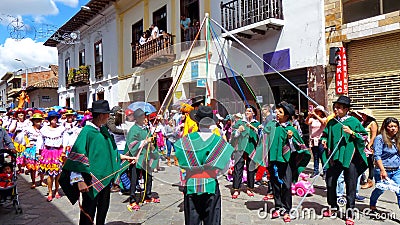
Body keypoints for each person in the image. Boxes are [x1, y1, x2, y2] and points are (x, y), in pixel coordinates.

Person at [60, 100, 136, 225]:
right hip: (90, 181)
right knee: (88, 213)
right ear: (101, 115)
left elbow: (109, 153)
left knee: (103, 209)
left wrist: (127, 158)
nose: (109, 117)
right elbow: (76, 158)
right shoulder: (87, 132)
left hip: (104, 180)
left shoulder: (103, 132)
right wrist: (79, 180)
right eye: (107, 114)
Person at [174, 105, 234, 225]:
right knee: (212, 220)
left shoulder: (186, 140)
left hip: (192, 185)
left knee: (192, 220)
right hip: (210, 184)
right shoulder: (219, 142)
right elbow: (224, 168)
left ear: (196, 121)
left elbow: (181, 163)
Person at [252, 101, 310, 222]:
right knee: (275, 185)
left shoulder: (291, 130)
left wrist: (290, 138)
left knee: (287, 185)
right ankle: (278, 207)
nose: (277, 113)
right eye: (277, 111)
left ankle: (287, 209)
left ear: (287, 115)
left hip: (287, 162)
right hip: (273, 160)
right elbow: (264, 139)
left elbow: (299, 147)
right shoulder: (272, 125)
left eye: (280, 112)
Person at [321, 96, 368, 225]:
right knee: (330, 181)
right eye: (335, 106)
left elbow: (364, 137)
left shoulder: (354, 122)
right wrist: (324, 140)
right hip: (335, 157)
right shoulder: (332, 122)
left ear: (346, 109)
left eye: (339, 107)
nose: (336, 109)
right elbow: (325, 134)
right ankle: (333, 206)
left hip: (350, 158)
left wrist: (352, 133)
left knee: (351, 185)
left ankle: (350, 213)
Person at [124, 108, 160, 212]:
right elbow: (131, 144)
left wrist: (153, 138)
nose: (145, 118)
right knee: (134, 179)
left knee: (148, 177)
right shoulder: (133, 129)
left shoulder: (146, 128)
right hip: (136, 157)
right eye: (143, 116)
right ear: (138, 119)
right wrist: (145, 141)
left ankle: (147, 196)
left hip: (146, 157)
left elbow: (151, 142)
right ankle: (132, 199)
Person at [369, 117, 400, 215]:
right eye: (390, 126)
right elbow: (377, 155)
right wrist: (382, 170)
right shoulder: (380, 138)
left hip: (396, 170)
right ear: (386, 127)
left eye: (395, 126)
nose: (393, 129)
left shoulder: (398, 138)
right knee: (380, 190)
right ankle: (372, 205)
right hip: (383, 169)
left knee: (399, 192)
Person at [231, 105, 260, 199]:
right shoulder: (240, 122)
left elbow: (261, 136)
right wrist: (238, 131)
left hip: (251, 149)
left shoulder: (256, 124)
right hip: (240, 148)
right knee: (238, 168)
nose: (247, 113)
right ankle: (236, 188)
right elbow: (233, 135)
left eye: (249, 111)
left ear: (254, 113)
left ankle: (250, 187)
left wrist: (254, 128)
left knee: (251, 169)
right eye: (246, 111)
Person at [37, 110, 65, 202]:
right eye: (52, 118)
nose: (54, 120)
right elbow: (40, 142)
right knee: (50, 174)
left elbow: (65, 140)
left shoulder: (61, 129)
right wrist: (38, 153)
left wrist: (64, 151)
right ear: (49, 120)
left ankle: (57, 191)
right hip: (48, 152)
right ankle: (50, 192)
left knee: (58, 174)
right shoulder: (44, 129)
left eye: (56, 118)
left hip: (58, 152)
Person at [19, 111, 47, 188]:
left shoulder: (44, 129)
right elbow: (21, 137)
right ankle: (33, 182)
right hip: (31, 149)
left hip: (42, 149)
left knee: (42, 166)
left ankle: (41, 181)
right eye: (36, 120)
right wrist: (25, 144)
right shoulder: (28, 129)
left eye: (39, 120)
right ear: (33, 121)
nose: (38, 122)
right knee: (32, 167)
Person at [357, 109, 379, 189]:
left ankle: (370, 181)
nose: (362, 116)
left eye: (364, 114)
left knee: (369, 164)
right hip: (362, 146)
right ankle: (363, 179)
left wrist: (369, 145)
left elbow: (374, 135)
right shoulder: (363, 123)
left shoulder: (372, 123)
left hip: (369, 146)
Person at [305, 105, 327, 178]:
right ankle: (315, 170)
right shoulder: (313, 119)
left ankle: (325, 171)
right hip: (313, 140)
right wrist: (309, 116)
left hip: (320, 139)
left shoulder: (324, 118)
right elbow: (307, 122)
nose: (317, 112)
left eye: (318, 111)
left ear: (321, 112)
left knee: (322, 156)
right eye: (316, 110)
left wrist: (316, 115)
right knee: (315, 156)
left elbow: (324, 123)